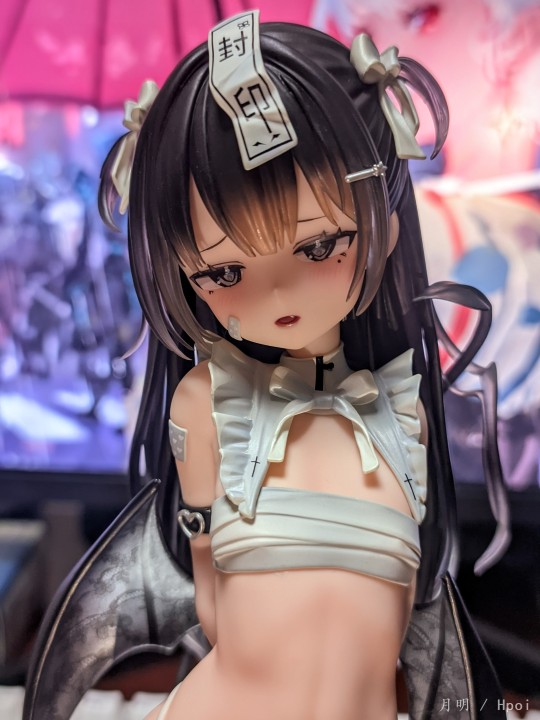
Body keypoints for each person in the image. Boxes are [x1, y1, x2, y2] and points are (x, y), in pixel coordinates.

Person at [96, 11, 508, 720]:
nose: (279, 297)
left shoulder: (402, 406)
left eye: (319, 248)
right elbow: (213, 610)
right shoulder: (206, 402)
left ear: (385, 229)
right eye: (224, 272)